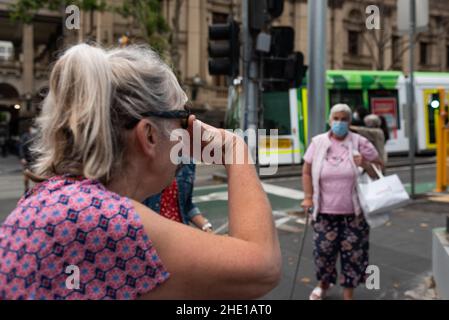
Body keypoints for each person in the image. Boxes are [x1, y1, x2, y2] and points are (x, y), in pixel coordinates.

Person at [0, 44, 281, 300]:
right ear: (149, 135)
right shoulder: (103, 219)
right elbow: (262, 267)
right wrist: (234, 147)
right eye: (183, 119)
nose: (189, 132)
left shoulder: (56, 200)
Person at [301, 104, 382, 300]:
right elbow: (306, 170)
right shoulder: (318, 142)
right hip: (324, 213)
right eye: (336, 118)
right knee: (323, 254)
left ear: (350, 121)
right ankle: (322, 285)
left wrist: (364, 164)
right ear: (330, 120)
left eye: (344, 119)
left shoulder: (360, 142)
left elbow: (379, 170)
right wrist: (308, 197)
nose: (339, 122)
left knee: (354, 256)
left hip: (354, 215)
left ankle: (348, 295)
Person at [143, 163, 213, 232]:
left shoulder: (188, 163)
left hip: (181, 232)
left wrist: (205, 226)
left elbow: (187, 205)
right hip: (154, 234)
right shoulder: (148, 159)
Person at [19, 124, 38, 192]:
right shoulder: (25, 136)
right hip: (27, 159)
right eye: (33, 128)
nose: (34, 130)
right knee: (26, 176)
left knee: (36, 175)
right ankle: (26, 188)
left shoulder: (37, 136)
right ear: (29, 128)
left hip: (35, 159)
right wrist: (22, 157)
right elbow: (21, 147)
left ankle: (36, 189)